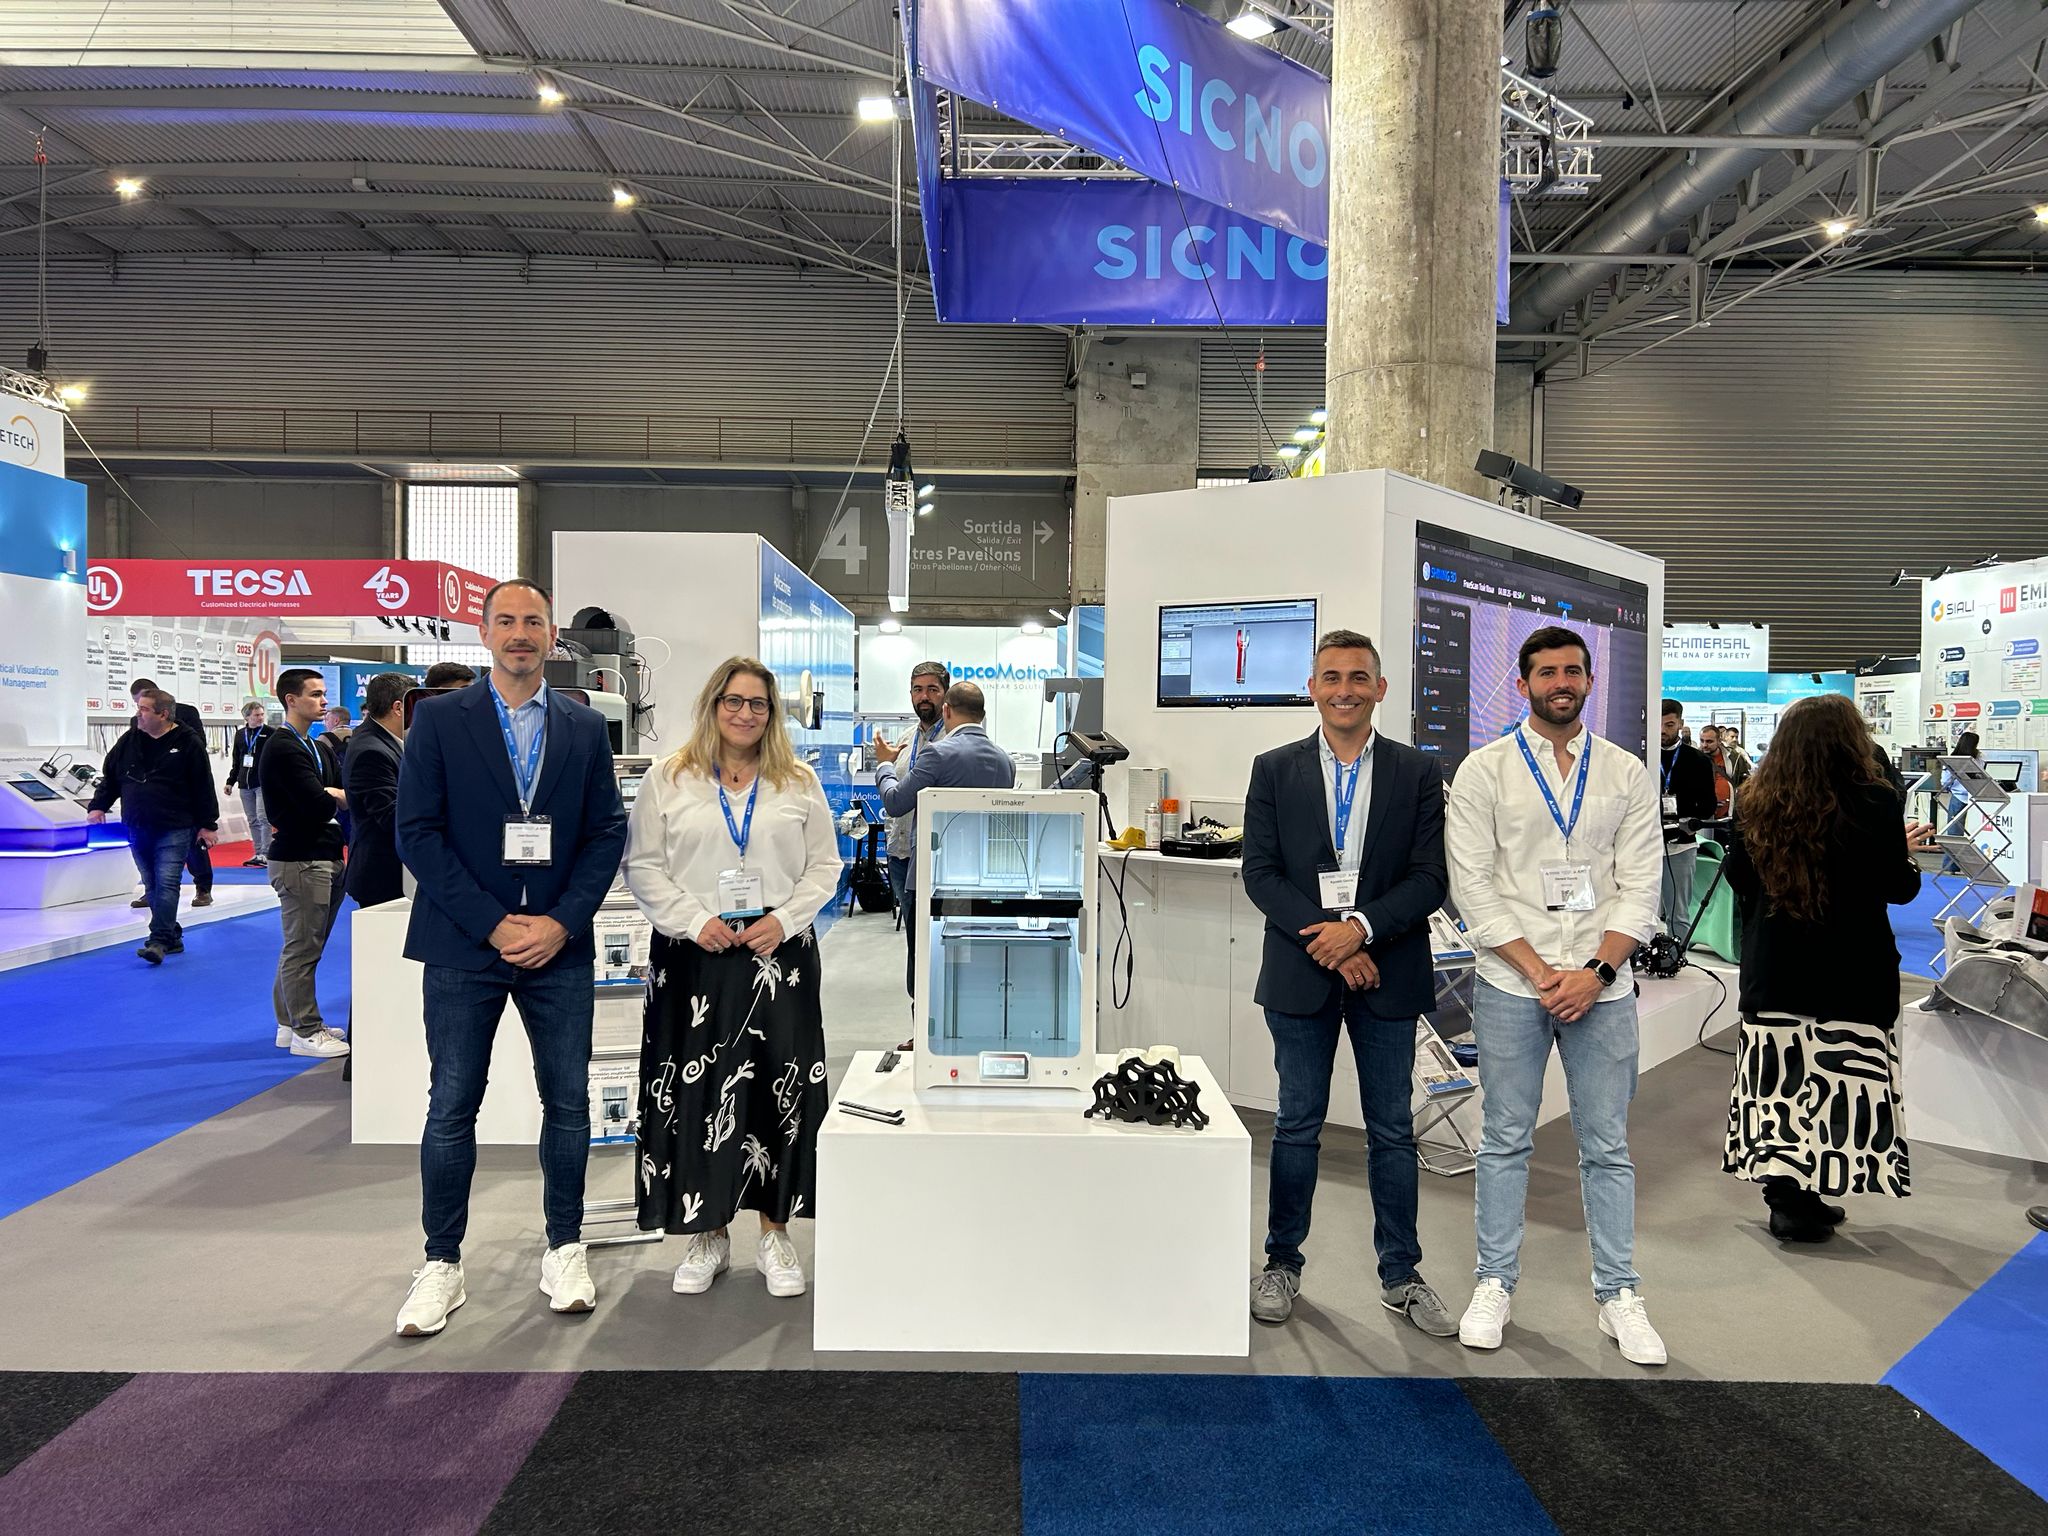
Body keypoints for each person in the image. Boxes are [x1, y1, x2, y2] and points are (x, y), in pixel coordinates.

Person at [391, 579, 628, 1339]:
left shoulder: (583, 726)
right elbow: (417, 832)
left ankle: (565, 1246)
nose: (520, 633)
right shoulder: (439, 720)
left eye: (533, 622)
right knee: (452, 1104)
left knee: (568, 1103)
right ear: (484, 632)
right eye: (506, 621)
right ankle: (441, 1262)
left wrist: (561, 922)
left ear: (552, 634)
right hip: (465, 945)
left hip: (558, 947)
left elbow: (605, 833)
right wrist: (494, 925)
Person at [1445, 626, 1668, 1366]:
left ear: (1589, 681)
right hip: (1514, 983)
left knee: (1607, 1145)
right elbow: (1474, 886)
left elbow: (1641, 884)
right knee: (1505, 1138)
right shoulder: (1484, 772)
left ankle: (1619, 1293)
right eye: (1546, 672)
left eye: (1573, 670)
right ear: (1523, 684)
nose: (1561, 682)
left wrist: (1595, 973)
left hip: (1603, 987)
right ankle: (1494, 1282)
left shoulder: (1626, 772)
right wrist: (1543, 972)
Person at [1241, 630, 1455, 1335]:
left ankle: (1402, 1274)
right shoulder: (1274, 769)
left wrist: (1359, 929)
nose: (1345, 690)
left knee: (1391, 1129)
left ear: (1380, 689)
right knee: (1297, 1122)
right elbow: (1261, 874)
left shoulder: (1417, 772)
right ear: (1312, 688)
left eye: (1359, 677)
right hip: (1301, 971)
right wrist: (1332, 943)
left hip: (1386, 970)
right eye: (1331, 677)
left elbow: (1430, 877)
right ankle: (1281, 1263)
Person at [624, 657, 843, 1299]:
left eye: (758, 704)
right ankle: (708, 1231)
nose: (745, 713)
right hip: (696, 957)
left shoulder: (797, 781)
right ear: (712, 705)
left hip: (779, 955)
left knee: (781, 1090)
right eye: (734, 701)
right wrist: (694, 921)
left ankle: (776, 1234)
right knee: (698, 1094)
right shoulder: (670, 777)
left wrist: (785, 920)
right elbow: (643, 866)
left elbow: (825, 866)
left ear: (772, 714)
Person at [1722, 694, 1932, 1242]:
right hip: (1851, 970)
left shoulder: (1755, 801)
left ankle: (1788, 1199)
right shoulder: (1874, 800)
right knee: (1840, 1085)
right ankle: (1814, 1189)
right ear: (1850, 739)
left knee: (1779, 1088)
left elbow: (1738, 876)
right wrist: (1905, 855)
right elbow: (1899, 887)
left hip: (1775, 970)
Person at [873, 681, 1017, 996]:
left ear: (947, 710)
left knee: (926, 959)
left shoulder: (937, 754)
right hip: (983, 880)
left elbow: (895, 802)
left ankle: (925, 1021)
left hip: (933, 879)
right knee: (972, 960)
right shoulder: (1006, 761)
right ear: (982, 715)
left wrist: (884, 764)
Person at [86, 690, 221, 965]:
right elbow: (112, 776)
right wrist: (98, 805)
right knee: (152, 884)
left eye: (144, 709)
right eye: (138, 708)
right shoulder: (129, 740)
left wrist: (208, 824)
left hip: (175, 826)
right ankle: (172, 935)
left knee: (167, 882)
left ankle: (157, 940)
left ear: (163, 714)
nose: (138, 714)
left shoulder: (188, 742)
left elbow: (203, 785)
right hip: (138, 823)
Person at [262, 669, 351, 1059]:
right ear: (291, 700)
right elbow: (319, 804)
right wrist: (331, 795)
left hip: (324, 854)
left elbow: (342, 792)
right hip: (300, 859)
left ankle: (289, 1022)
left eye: (323, 693)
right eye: (315, 694)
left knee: (305, 947)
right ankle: (306, 1030)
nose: (324, 700)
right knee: (302, 949)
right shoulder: (282, 747)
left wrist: (332, 794)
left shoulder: (316, 746)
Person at [125, 677, 215, 908]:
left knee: (194, 845)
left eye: (143, 704)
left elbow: (198, 749)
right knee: (149, 850)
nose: (140, 710)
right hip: (152, 797)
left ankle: (203, 887)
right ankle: (152, 891)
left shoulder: (186, 713)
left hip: (184, 794)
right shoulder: (136, 722)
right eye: (137, 704)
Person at [882, 661, 949, 938]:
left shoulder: (951, 740)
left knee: (935, 940)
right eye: (917, 689)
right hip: (900, 855)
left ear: (945, 694)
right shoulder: (906, 738)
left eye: (932, 689)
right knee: (913, 939)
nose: (924, 696)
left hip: (936, 857)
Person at [344, 673, 412, 911]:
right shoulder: (372, 750)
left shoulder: (383, 740)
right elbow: (391, 816)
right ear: (398, 708)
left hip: (392, 870)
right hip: (384, 875)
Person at [1657, 699, 1716, 936]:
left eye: (1669, 725)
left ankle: (1677, 953)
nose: (1662, 730)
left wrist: (1691, 822)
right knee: (1640, 911)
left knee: (1678, 913)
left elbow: (1709, 805)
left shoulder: (1698, 760)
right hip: (1643, 845)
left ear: (1681, 724)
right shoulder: (1640, 756)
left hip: (1681, 846)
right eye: (1659, 724)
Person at [225, 701, 275, 867]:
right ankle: (258, 852)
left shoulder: (270, 733)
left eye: (261, 714)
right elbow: (237, 760)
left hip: (263, 783)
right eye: (256, 715)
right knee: (252, 819)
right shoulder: (240, 735)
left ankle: (266, 853)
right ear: (247, 717)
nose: (260, 718)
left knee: (263, 818)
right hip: (245, 783)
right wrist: (230, 781)